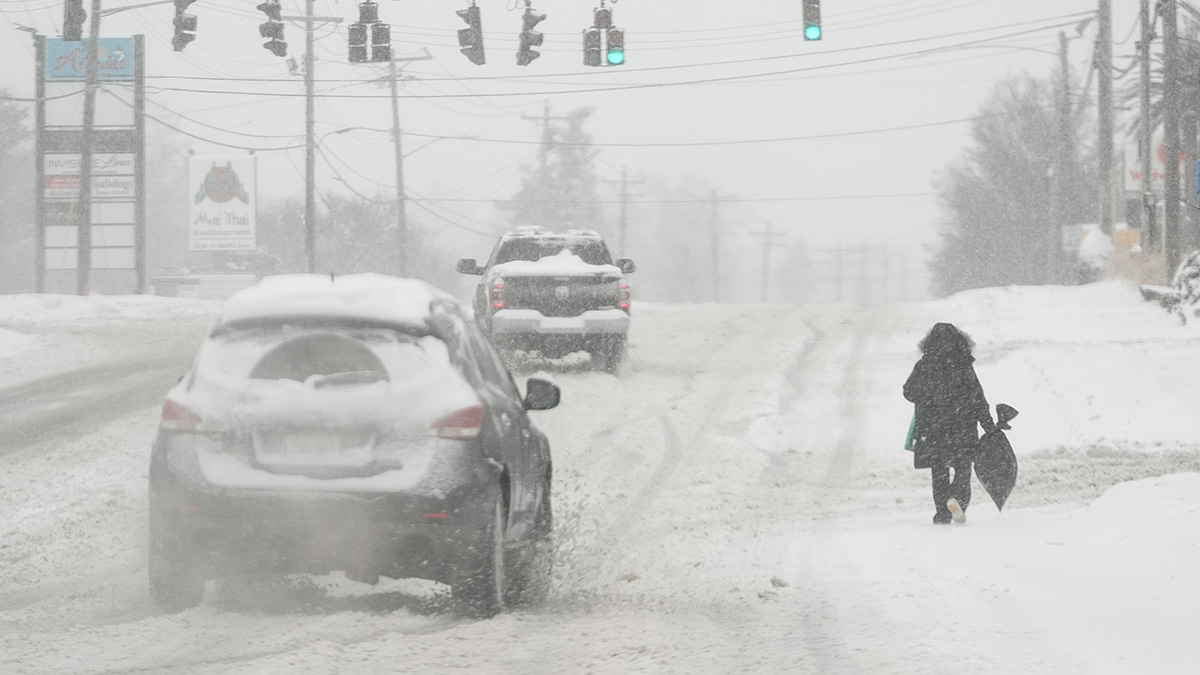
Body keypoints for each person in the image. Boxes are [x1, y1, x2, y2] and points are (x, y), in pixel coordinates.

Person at [903, 323, 995, 525]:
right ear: (959, 341)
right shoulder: (963, 365)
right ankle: (957, 498)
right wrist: (988, 425)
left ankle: (942, 513)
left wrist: (928, 397)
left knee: (939, 471)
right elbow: (977, 397)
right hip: (962, 426)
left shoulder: (924, 365)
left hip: (933, 427)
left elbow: (908, 391)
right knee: (963, 467)